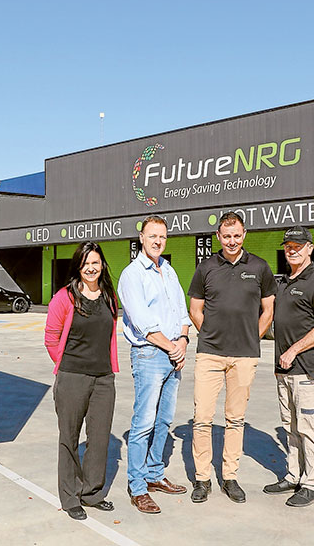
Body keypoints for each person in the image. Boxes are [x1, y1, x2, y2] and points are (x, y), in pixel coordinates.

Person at [187, 211, 276, 504]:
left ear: (244, 234)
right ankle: (202, 479)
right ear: (218, 237)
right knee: (202, 419)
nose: (232, 241)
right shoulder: (206, 268)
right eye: (226, 236)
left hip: (244, 357)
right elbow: (195, 309)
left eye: (237, 235)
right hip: (210, 354)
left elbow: (268, 310)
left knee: (235, 419)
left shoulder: (260, 267)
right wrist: (211, 334)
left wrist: (252, 338)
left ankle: (230, 477)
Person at [118, 215, 191, 514]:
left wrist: (183, 341)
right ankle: (138, 487)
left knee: (164, 421)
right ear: (141, 238)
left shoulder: (169, 271)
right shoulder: (132, 275)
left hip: (174, 354)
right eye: (152, 236)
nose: (157, 241)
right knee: (144, 423)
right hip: (149, 355)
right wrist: (173, 348)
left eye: (162, 236)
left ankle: (154, 474)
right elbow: (143, 323)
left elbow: (182, 313)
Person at [263, 226, 314, 507]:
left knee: (308, 426)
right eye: (288, 246)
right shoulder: (283, 282)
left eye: (298, 245)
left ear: (309, 248)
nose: (292, 250)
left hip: (307, 368)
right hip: (284, 369)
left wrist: (294, 350)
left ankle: (312, 484)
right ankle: (294, 475)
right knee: (290, 426)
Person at [44, 241, 119, 521]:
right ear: (78, 266)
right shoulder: (64, 297)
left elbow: (109, 336)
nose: (91, 268)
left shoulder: (109, 296)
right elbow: (51, 338)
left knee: (99, 438)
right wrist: (66, 366)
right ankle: (70, 496)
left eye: (95, 262)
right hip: (72, 377)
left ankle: (92, 493)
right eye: (86, 263)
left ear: (102, 265)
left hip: (104, 379)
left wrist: (107, 370)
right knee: (70, 438)